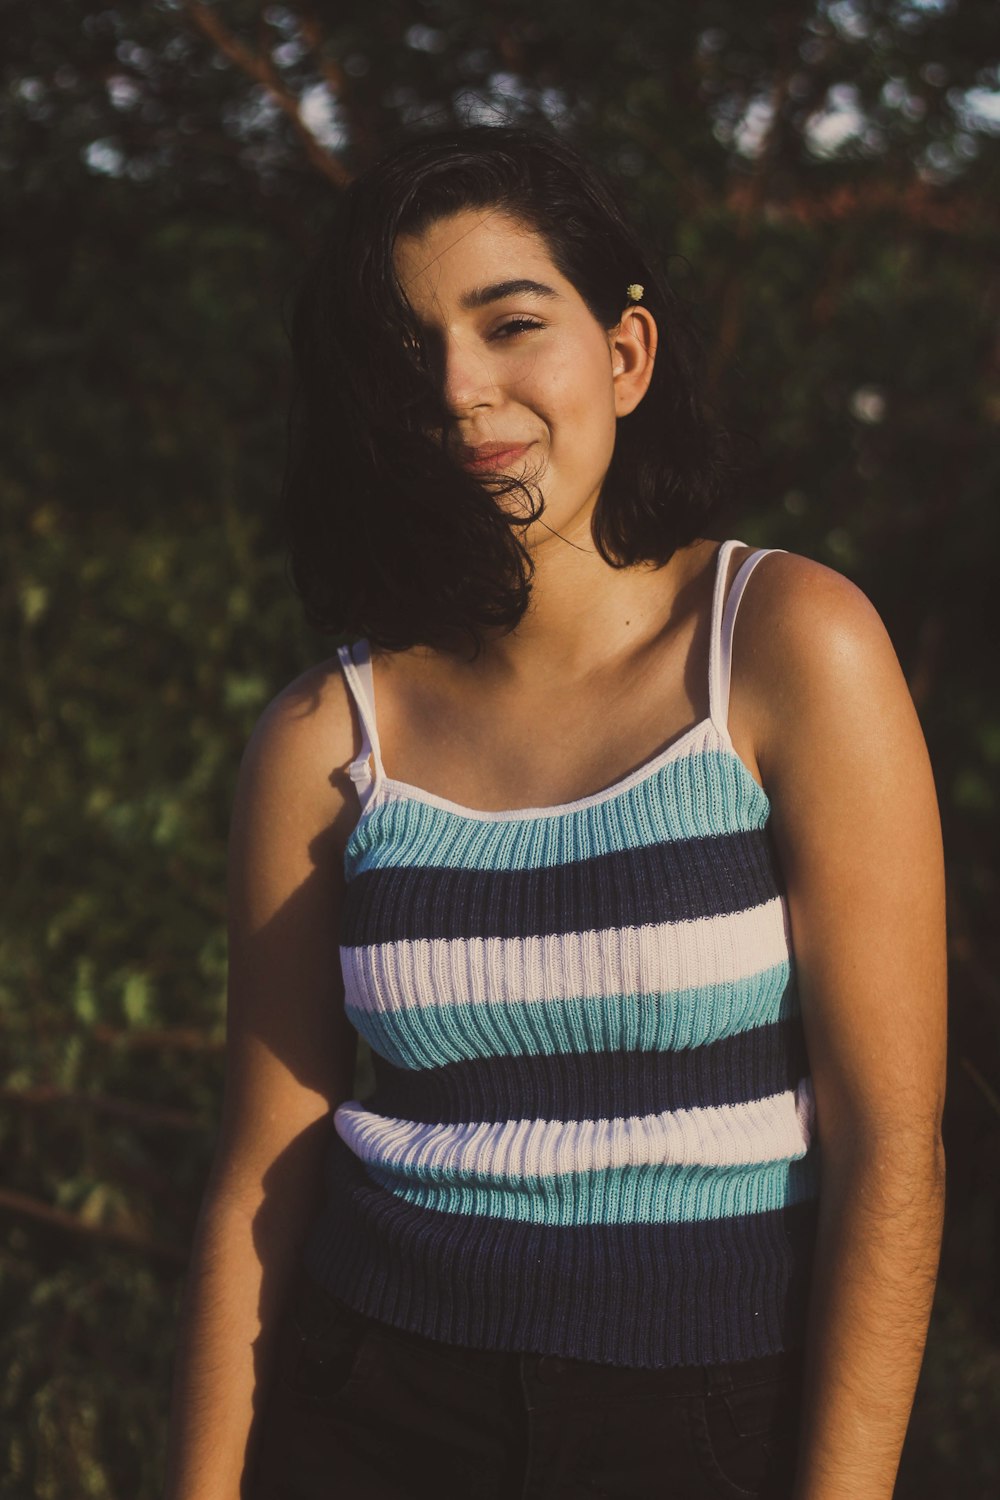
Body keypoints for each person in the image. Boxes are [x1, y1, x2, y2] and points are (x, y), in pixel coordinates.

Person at [163, 125, 947, 1500]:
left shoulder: (785, 644)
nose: (463, 391)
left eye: (511, 324)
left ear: (625, 355)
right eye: (411, 355)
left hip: (710, 1419)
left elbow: (892, 1145)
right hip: (367, 1408)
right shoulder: (322, 735)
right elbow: (260, 1175)